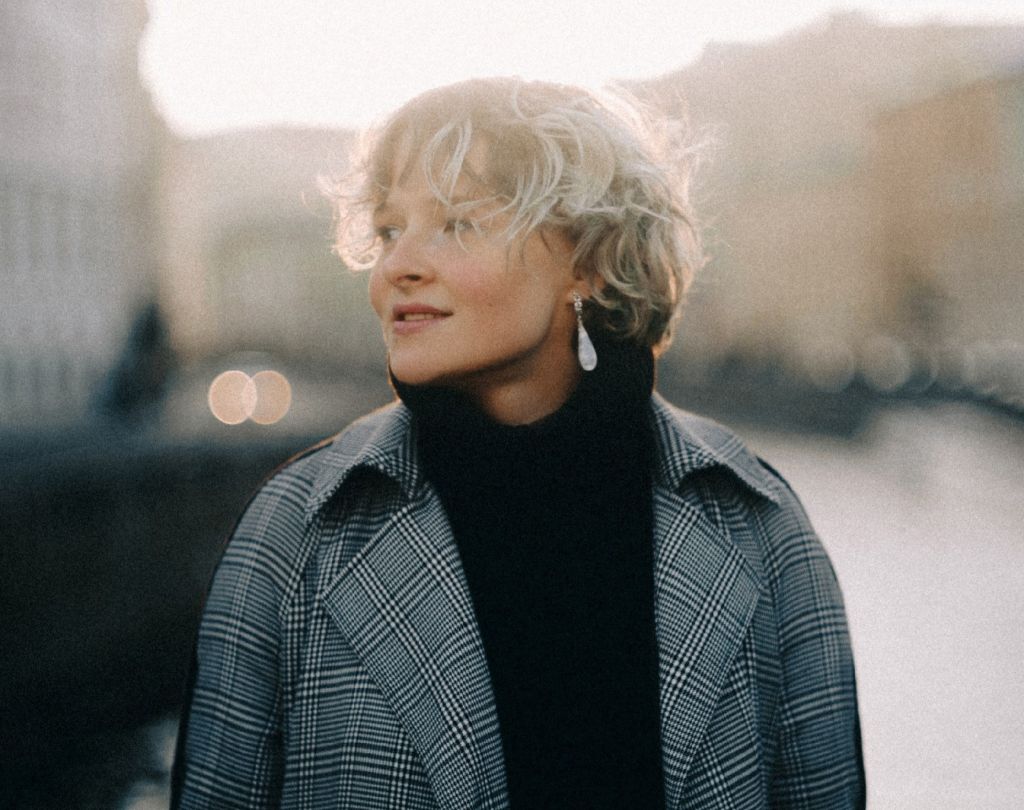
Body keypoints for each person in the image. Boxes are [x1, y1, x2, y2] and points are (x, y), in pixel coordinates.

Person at [171, 77, 864, 809]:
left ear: (588, 260)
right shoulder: (295, 533)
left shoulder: (757, 523)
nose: (397, 266)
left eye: (458, 223)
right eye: (389, 230)